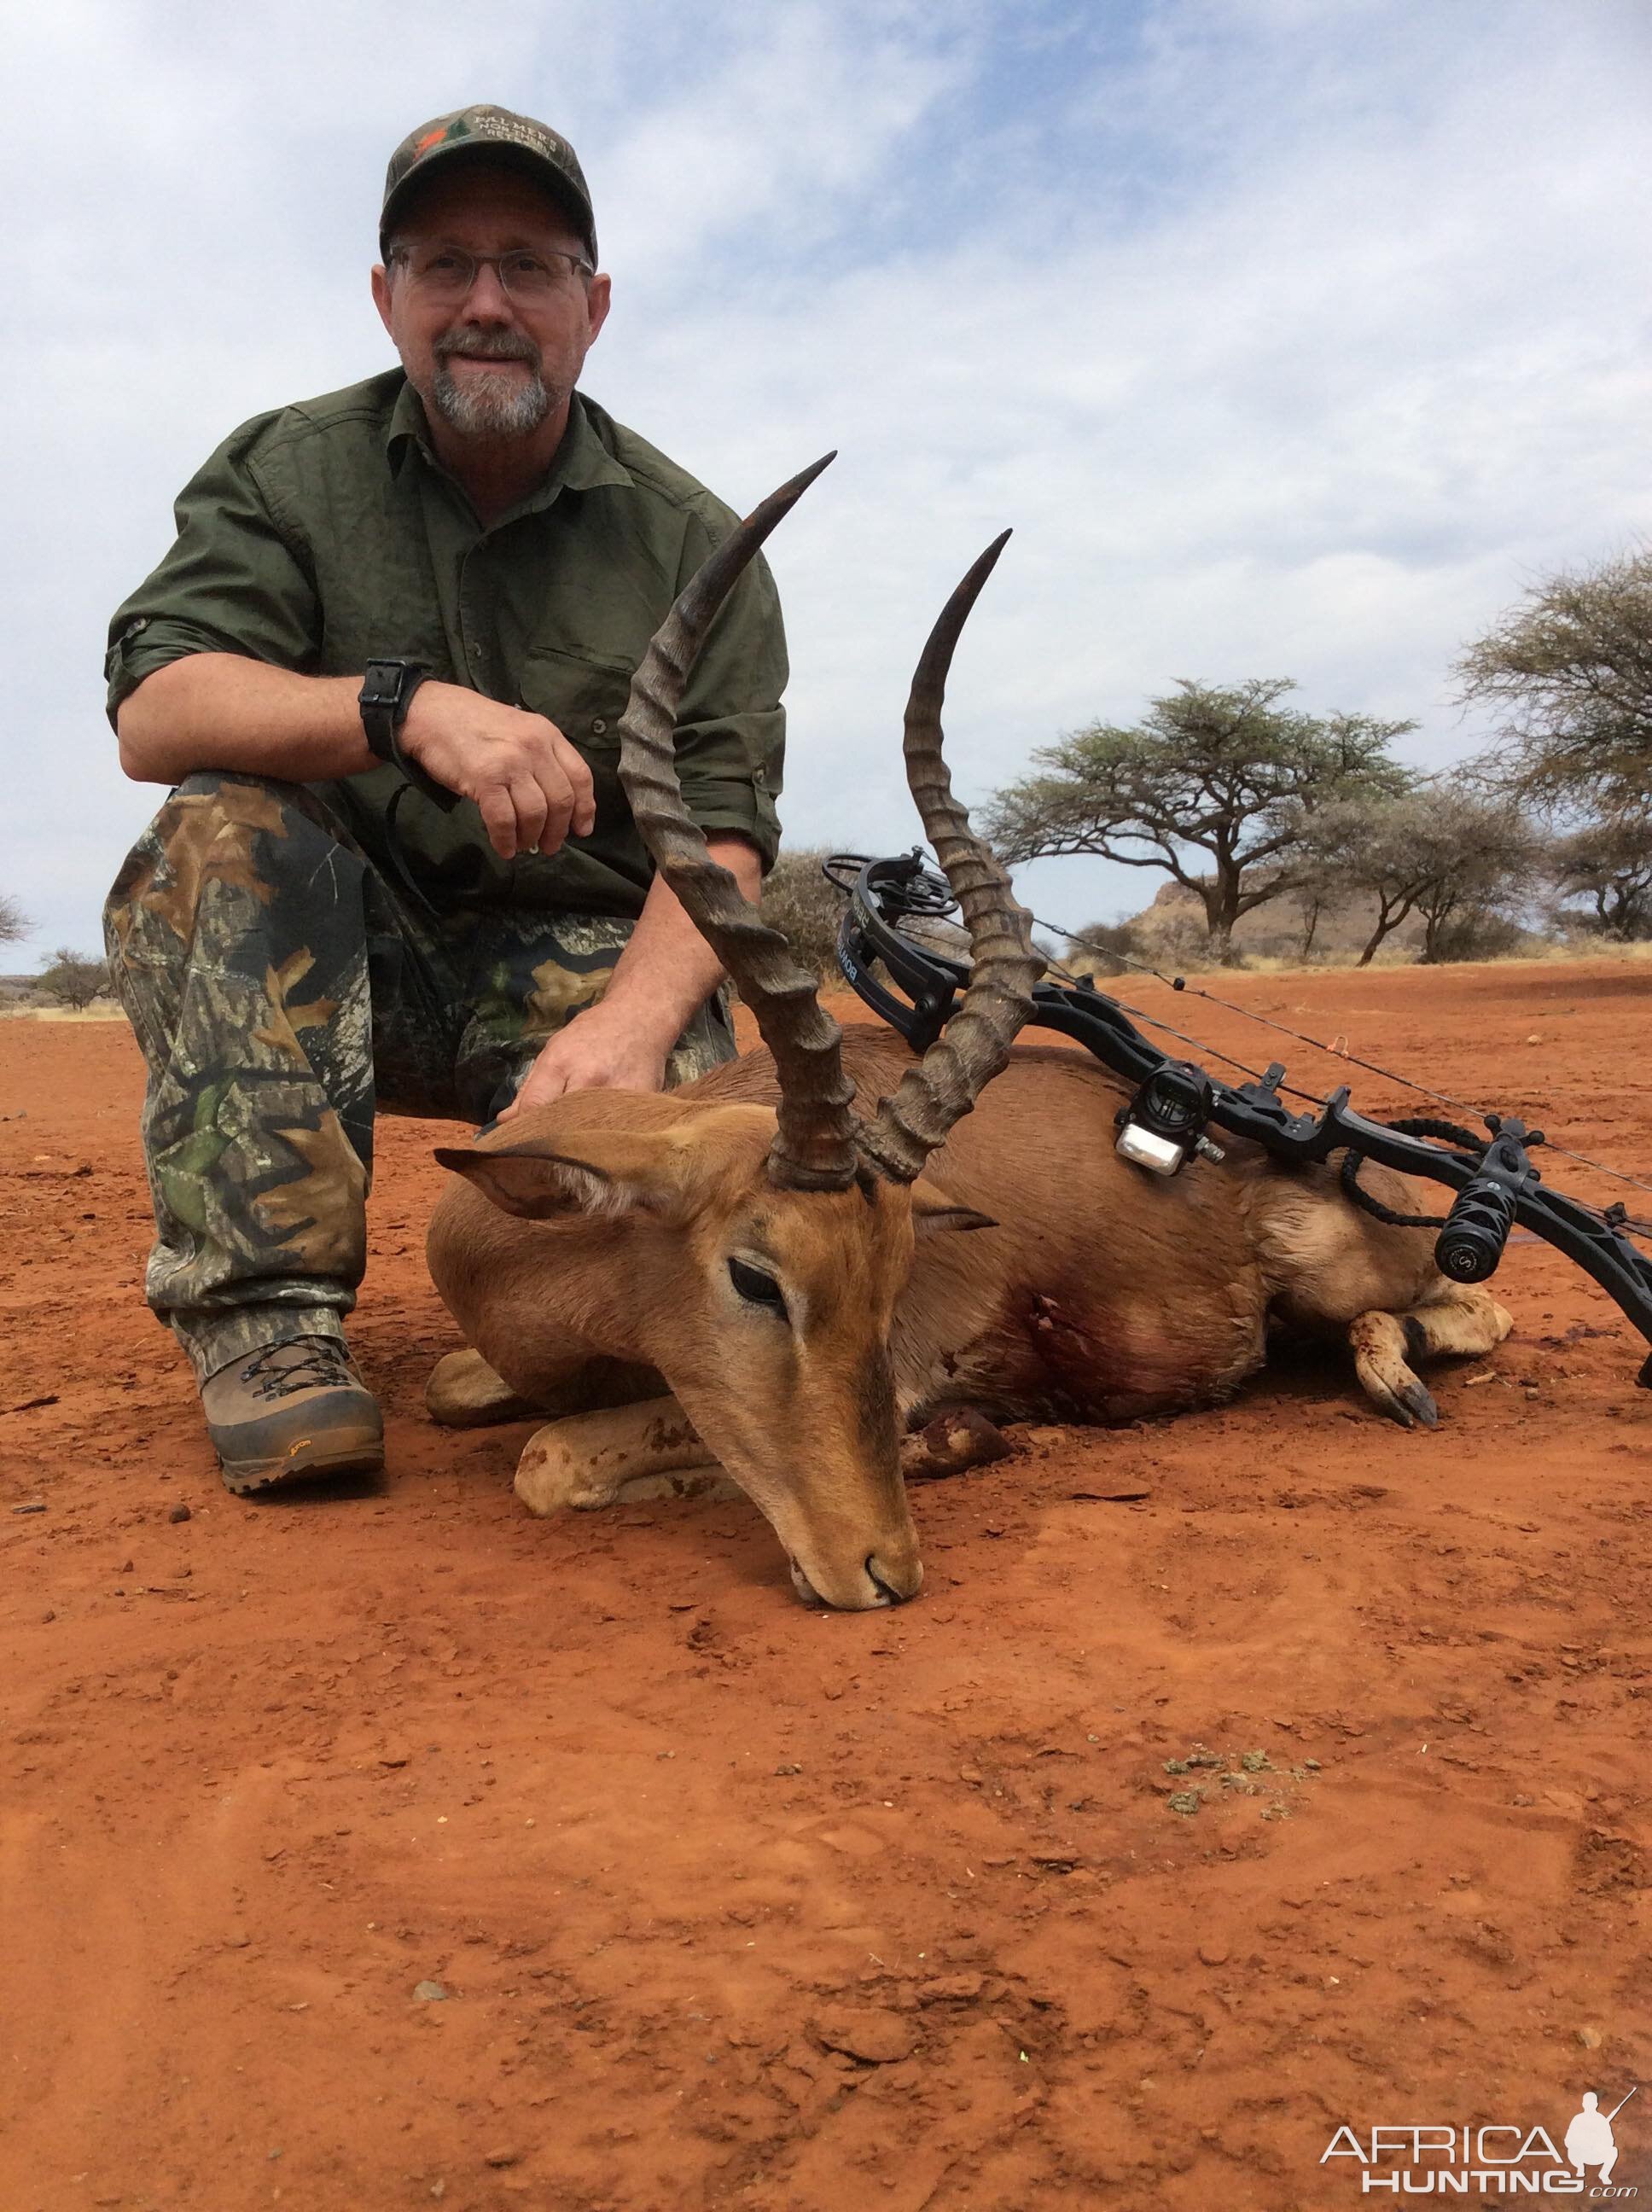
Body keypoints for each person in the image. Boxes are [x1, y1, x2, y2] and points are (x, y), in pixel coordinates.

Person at [103, 105, 788, 1497]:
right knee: (216, 829)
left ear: (592, 307)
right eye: (445, 265)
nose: (487, 304)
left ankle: (583, 1339)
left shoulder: (695, 541)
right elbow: (154, 710)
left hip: (574, 976)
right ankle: (270, 1331)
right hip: (339, 957)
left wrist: (634, 1023)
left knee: (717, 1061)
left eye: (529, 266)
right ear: (387, 297)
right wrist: (397, 706)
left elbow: (719, 833)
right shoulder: (281, 472)